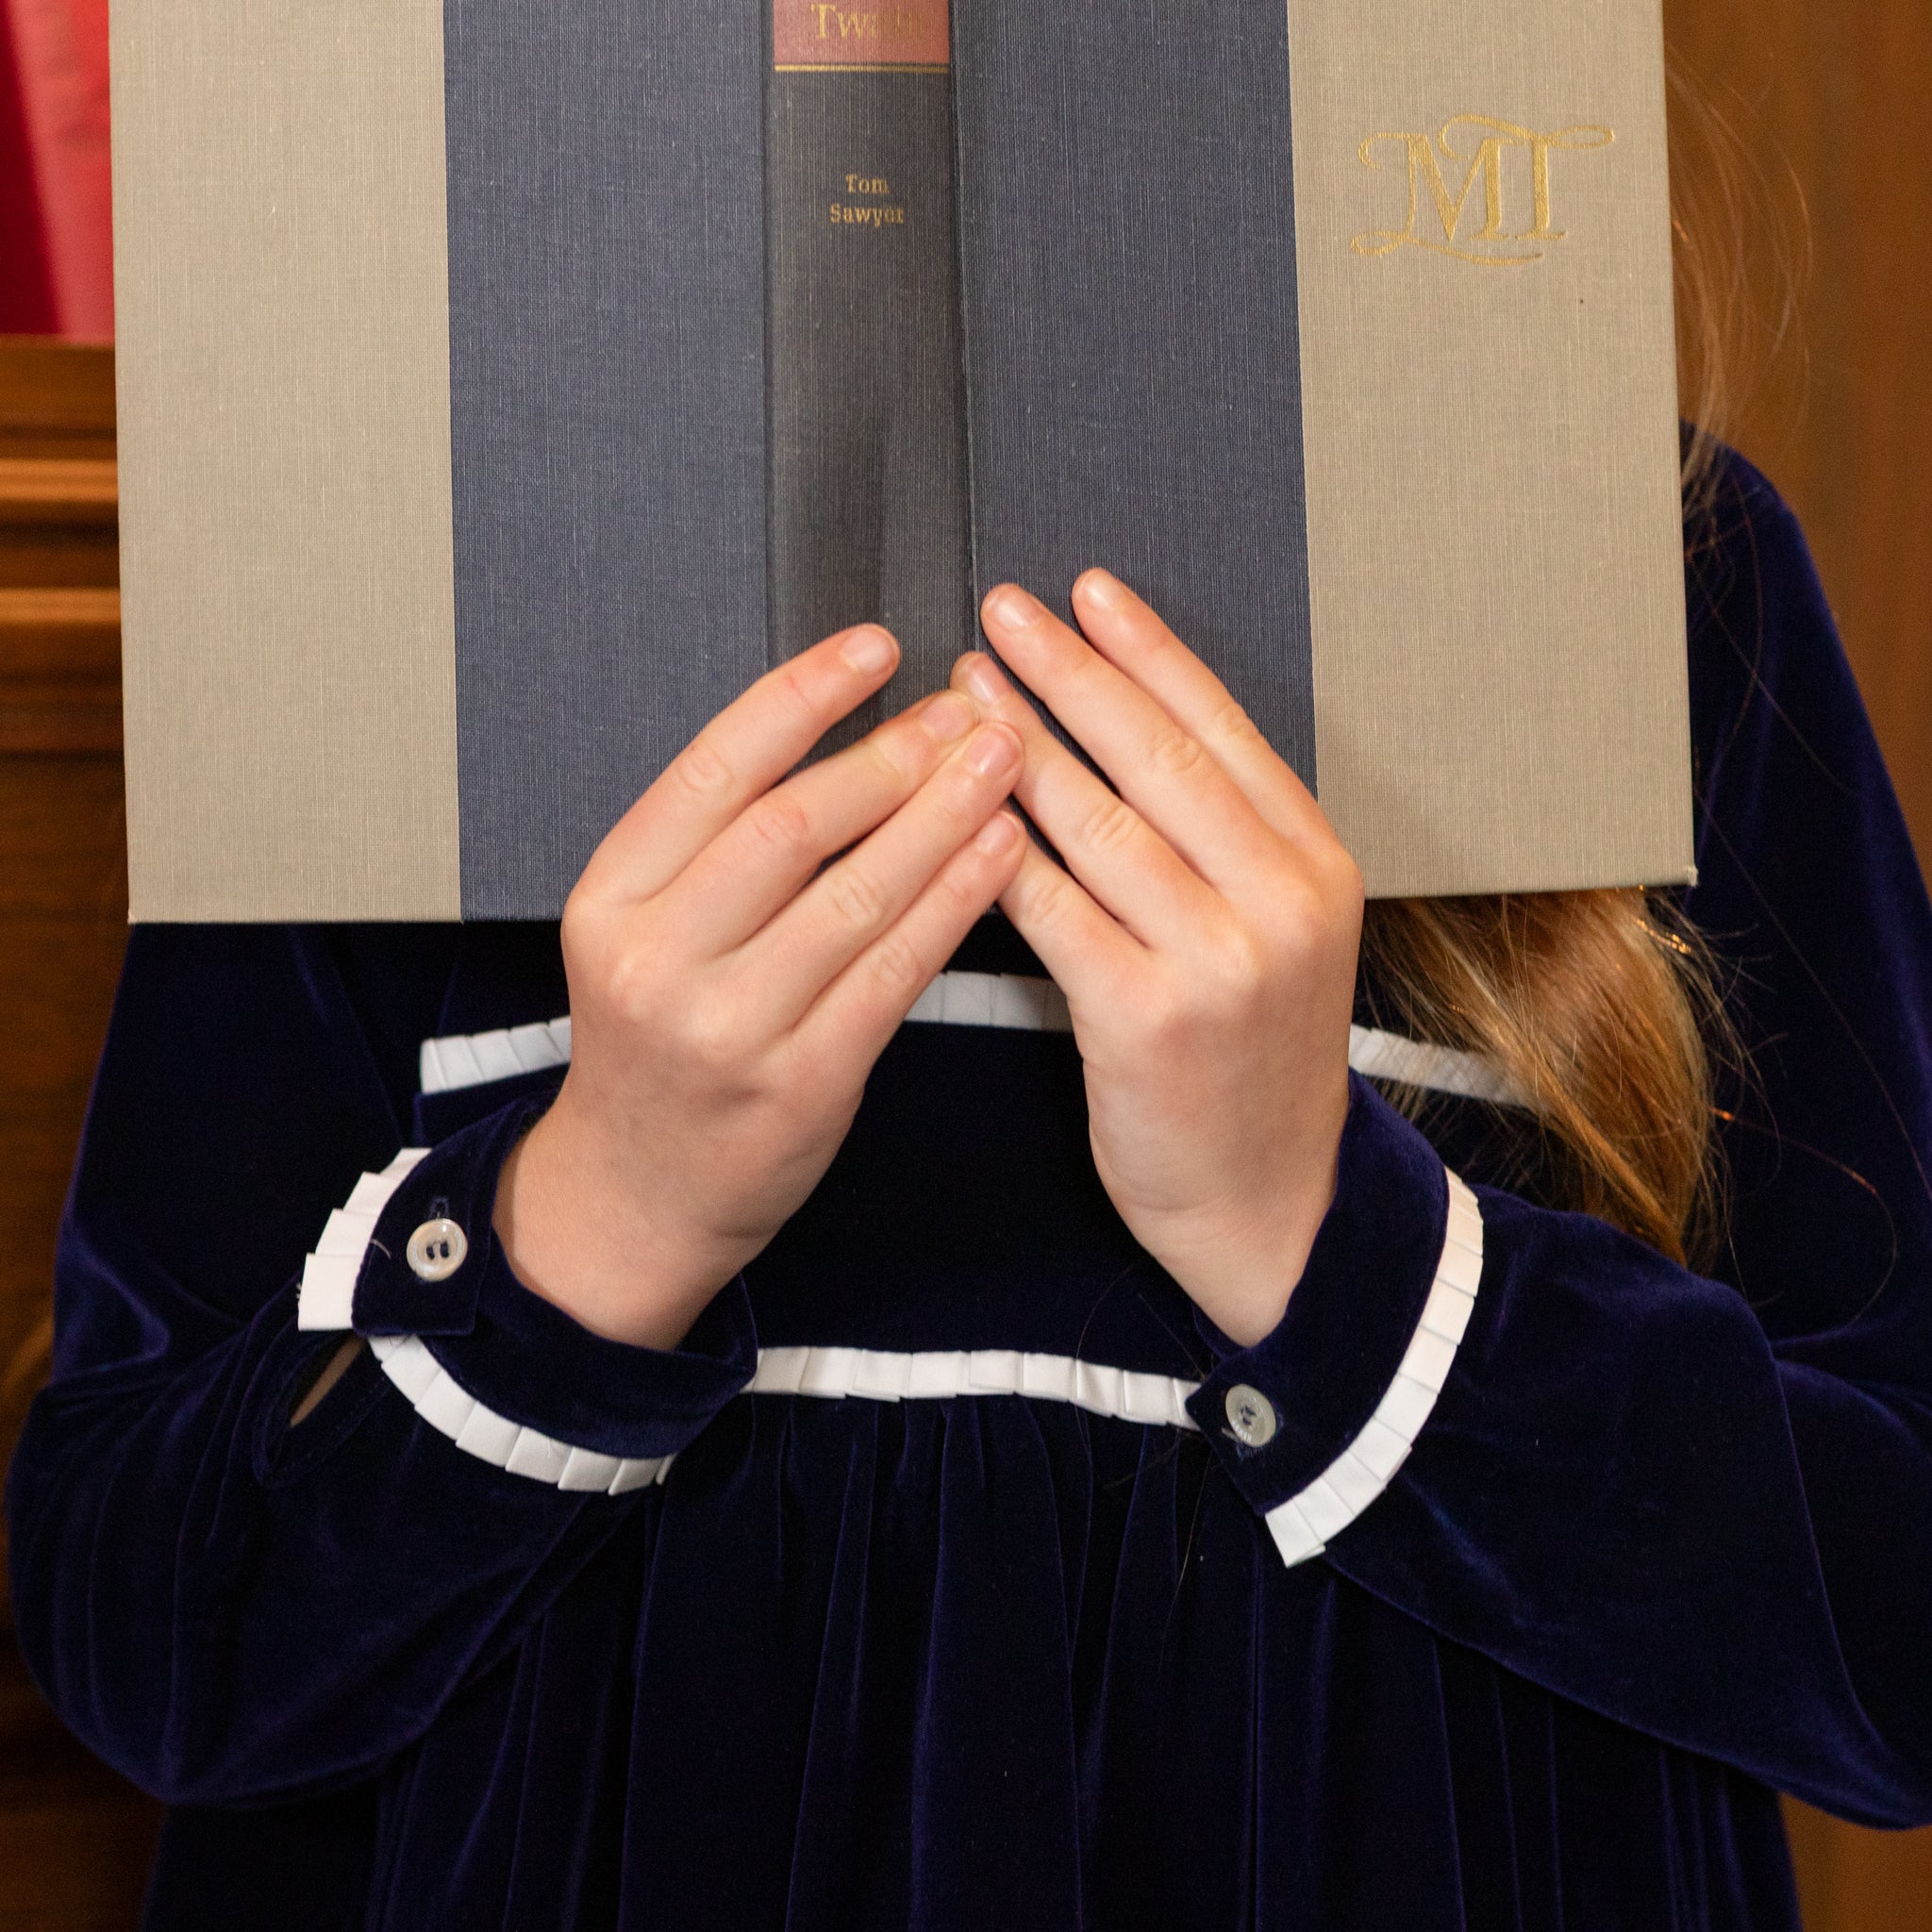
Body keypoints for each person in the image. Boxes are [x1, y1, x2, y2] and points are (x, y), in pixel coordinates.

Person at [9, 163, 1932, 1932]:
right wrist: (595, 1218)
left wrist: (1325, 1241)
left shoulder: (1645, 575)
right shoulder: (400, 566)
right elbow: (146, 1623)